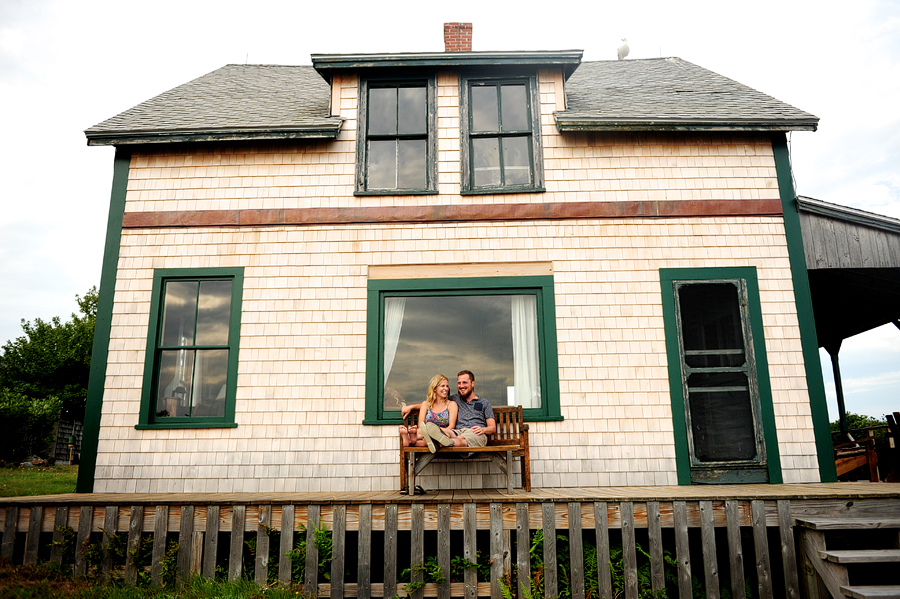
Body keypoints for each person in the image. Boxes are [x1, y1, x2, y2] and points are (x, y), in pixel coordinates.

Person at [402, 370, 496, 451]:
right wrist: (412, 407)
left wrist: (483, 429)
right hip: (456, 432)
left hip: (475, 433)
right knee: (441, 432)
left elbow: (492, 427)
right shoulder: (455, 399)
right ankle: (432, 440)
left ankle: (441, 442)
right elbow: (436, 403)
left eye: (464, 382)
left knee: (460, 439)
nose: (461, 386)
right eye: (459, 383)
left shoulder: (484, 403)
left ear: (473, 383)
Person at [399, 374, 458, 451]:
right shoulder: (426, 404)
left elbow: (452, 426)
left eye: (447, 386)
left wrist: (435, 432)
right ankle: (412, 438)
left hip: (444, 435)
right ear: (435, 389)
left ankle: (410, 441)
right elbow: (421, 425)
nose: (446, 389)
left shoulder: (451, 404)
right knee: (425, 437)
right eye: (442, 386)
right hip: (426, 435)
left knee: (429, 439)